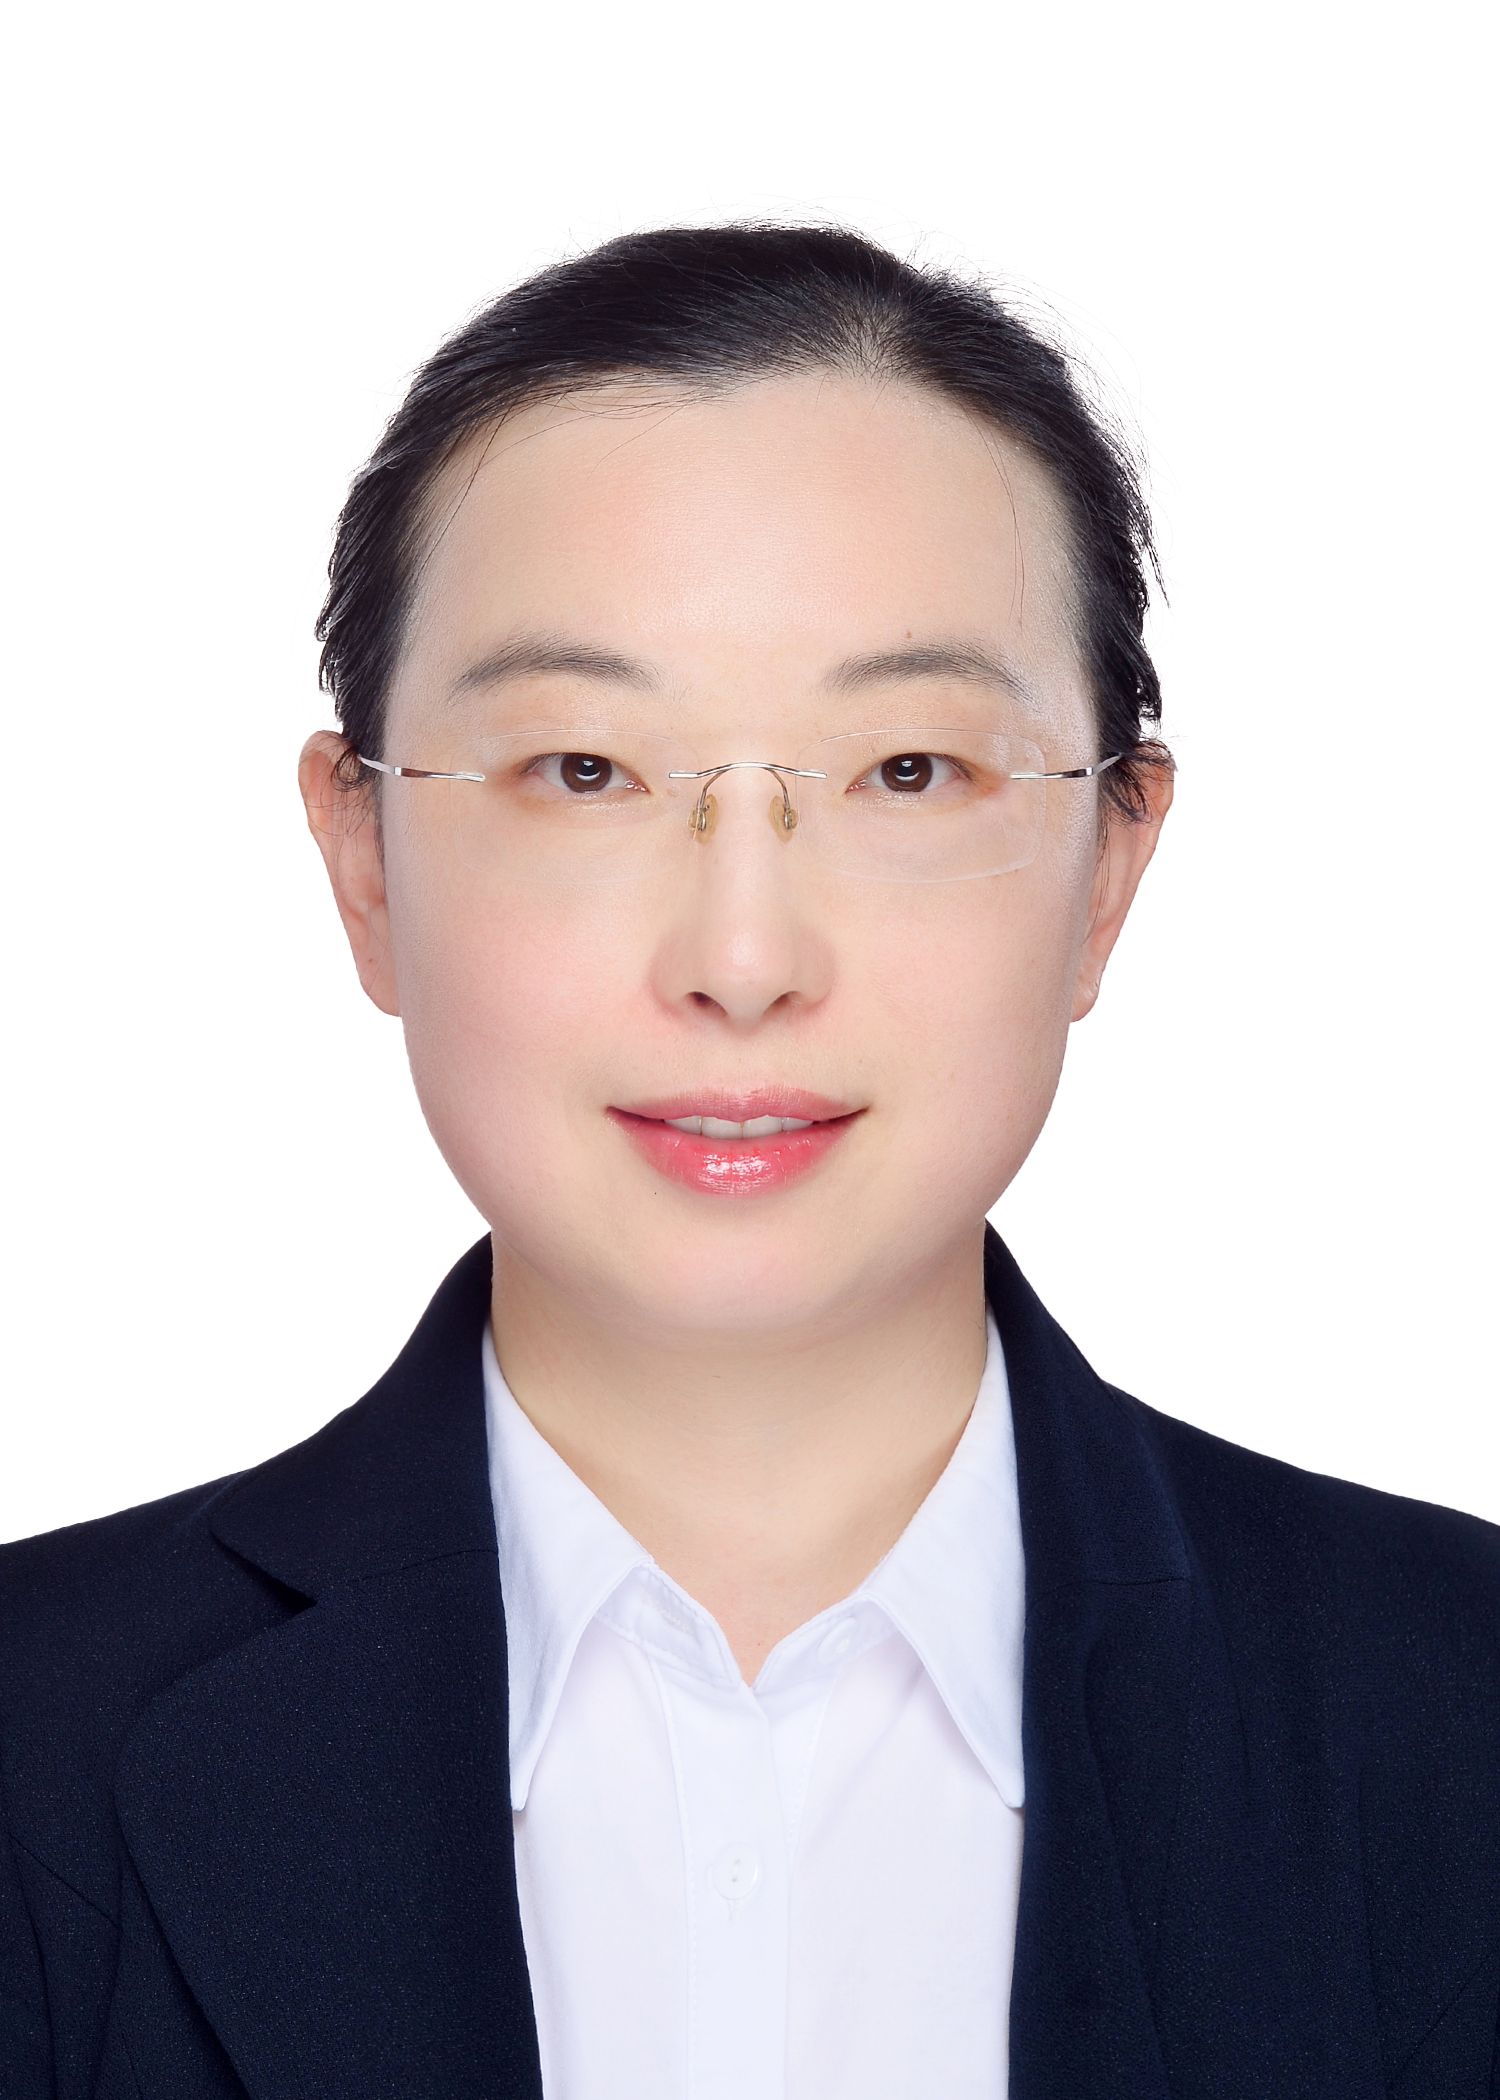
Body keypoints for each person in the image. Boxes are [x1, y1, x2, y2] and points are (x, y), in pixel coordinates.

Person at [2, 222, 1497, 2100]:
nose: (740, 958)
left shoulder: (1458, 1713)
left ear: (1110, 869)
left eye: (906, 773)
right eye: (584, 771)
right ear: (364, 859)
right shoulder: (33, 1741)